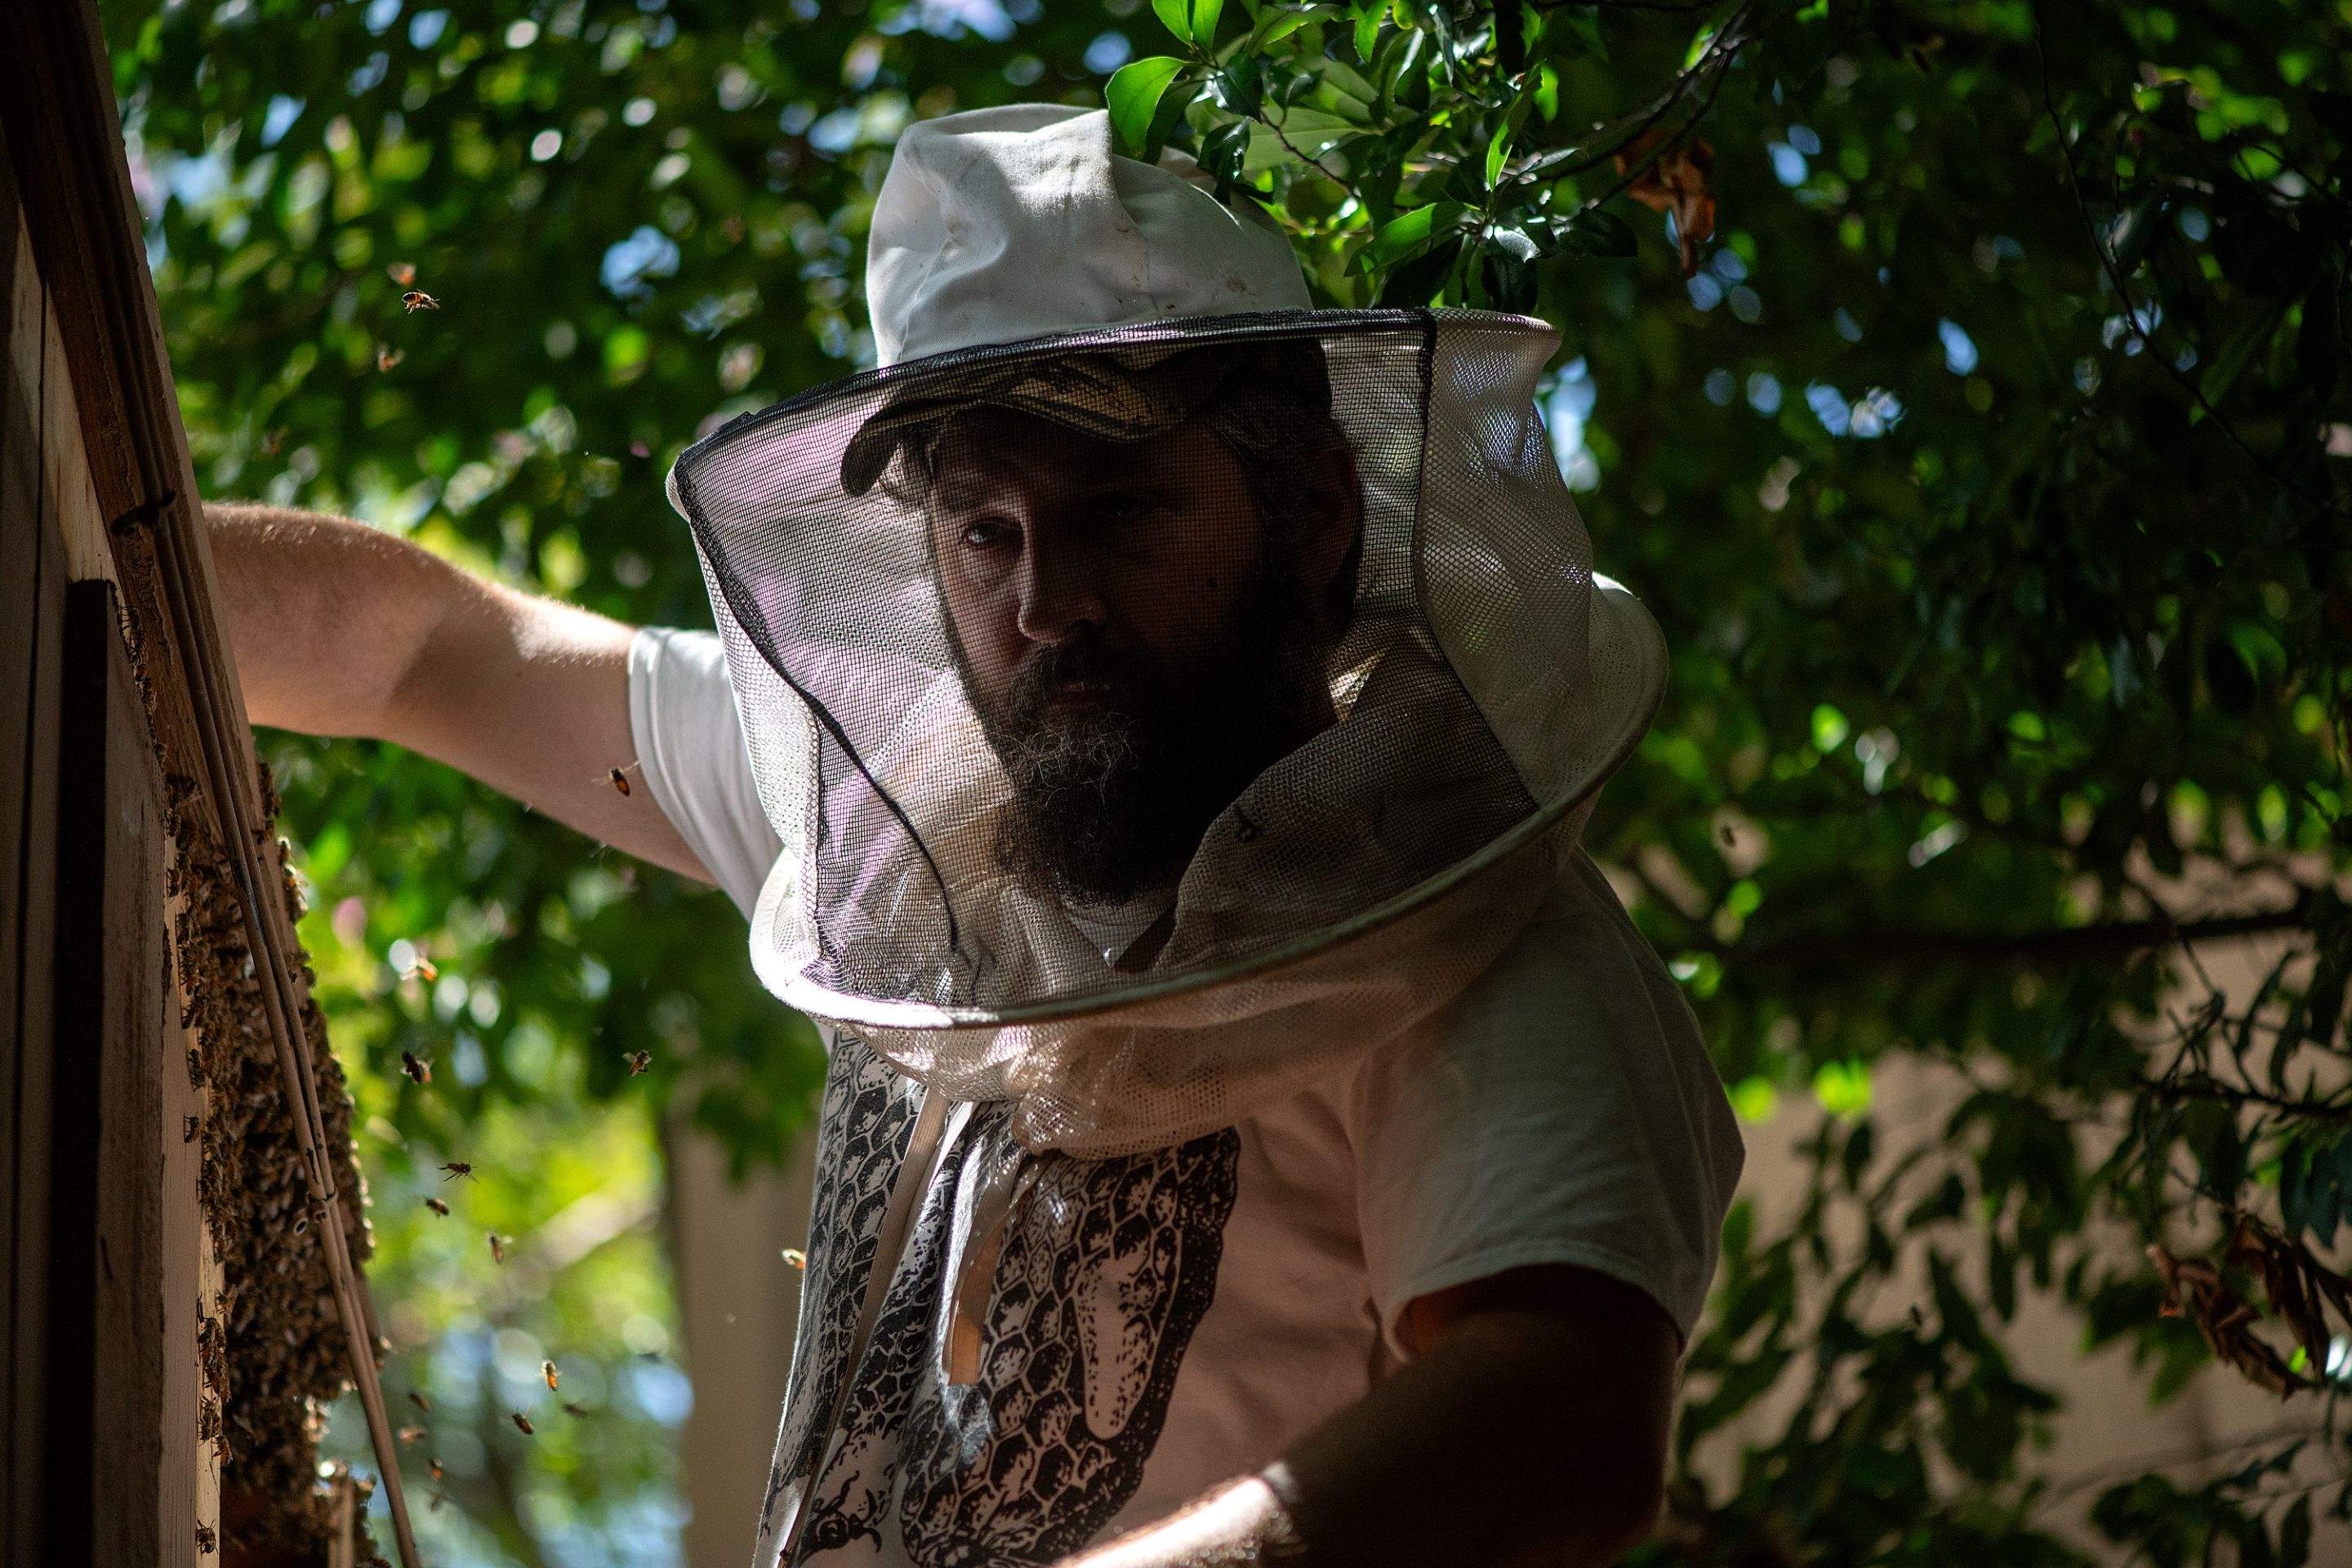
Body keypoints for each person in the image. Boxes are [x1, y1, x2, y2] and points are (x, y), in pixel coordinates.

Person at [211, 103, 1744, 1568]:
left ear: (1317, 516)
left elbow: (1563, 1419)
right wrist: (100, 541)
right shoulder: (905, 832)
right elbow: (429, 653)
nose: (1046, 604)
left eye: (1126, 513)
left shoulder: (1476, 936)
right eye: (985, 531)